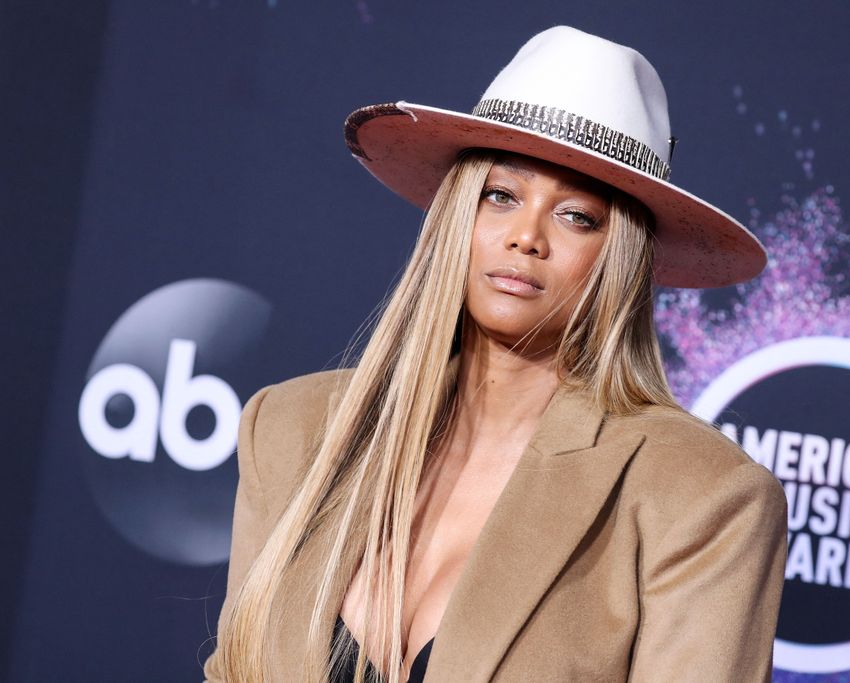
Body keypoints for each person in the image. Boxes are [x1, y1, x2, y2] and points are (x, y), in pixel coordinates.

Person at [203, 25, 787, 683]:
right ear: (458, 214)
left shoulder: (700, 495)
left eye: (577, 216)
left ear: (620, 257)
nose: (526, 237)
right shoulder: (290, 428)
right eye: (501, 196)